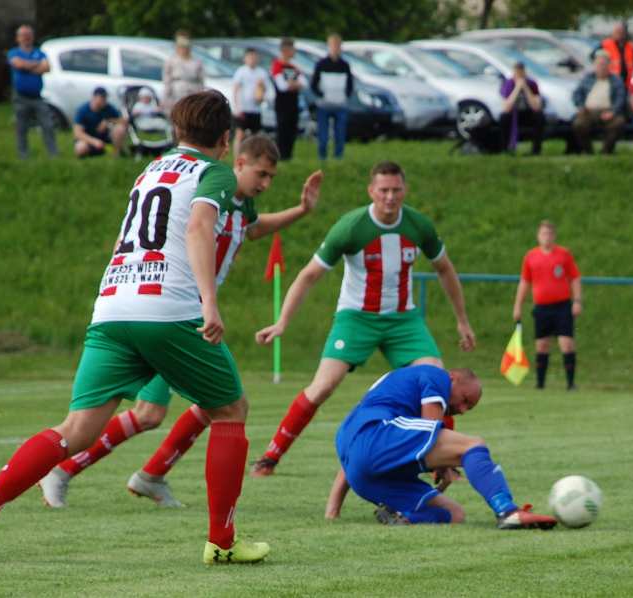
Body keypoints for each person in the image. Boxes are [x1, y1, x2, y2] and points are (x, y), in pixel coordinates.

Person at [0, 90, 270, 565]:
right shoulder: (215, 171)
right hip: (167, 308)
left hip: (114, 304)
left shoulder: (151, 170)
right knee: (229, 410)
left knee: (75, 429)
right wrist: (209, 302)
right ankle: (222, 542)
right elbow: (200, 227)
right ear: (226, 139)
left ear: (177, 132)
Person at [39, 135, 323, 509]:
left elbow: (253, 228)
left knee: (197, 406)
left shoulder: (240, 204)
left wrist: (301, 210)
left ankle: (148, 475)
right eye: (261, 173)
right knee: (168, 410)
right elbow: (188, 229)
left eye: (271, 177)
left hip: (186, 313)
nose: (265, 183)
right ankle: (65, 471)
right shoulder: (209, 190)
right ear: (239, 162)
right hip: (172, 309)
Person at [251, 160, 476, 477]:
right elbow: (309, 275)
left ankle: (443, 461)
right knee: (323, 385)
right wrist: (282, 321)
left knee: (436, 378)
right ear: (371, 191)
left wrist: (462, 320)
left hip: (403, 321)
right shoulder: (351, 227)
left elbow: (445, 269)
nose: (389, 197)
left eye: (396, 190)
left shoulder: (418, 226)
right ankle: (270, 457)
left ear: (404, 190)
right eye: (383, 190)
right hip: (356, 318)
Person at [323, 365, 557, 530]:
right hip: (375, 435)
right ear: (453, 378)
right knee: (473, 445)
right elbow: (430, 426)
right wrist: (445, 466)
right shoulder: (436, 376)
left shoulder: (395, 397)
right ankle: (507, 511)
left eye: (469, 408)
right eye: (465, 399)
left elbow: (357, 457)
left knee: (454, 514)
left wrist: (332, 511)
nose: (463, 409)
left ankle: (405, 518)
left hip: (362, 470)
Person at [512, 221, 581, 391]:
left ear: (554, 236)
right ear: (538, 236)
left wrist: (577, 301)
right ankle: (540, 384)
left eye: (549, 234)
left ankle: (571, 384)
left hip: (562, 306)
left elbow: (575, 278)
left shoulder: (564, 255)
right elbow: (525, 282)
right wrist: (517, 305)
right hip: (542, 307)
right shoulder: (531, 256)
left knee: (566, 344)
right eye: (543, 234)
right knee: (542, 345)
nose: (546, 237)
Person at [7, 24, 57, 159]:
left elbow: (46, 67)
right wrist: (35, 64)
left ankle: (53, 154)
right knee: (22, 128)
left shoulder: (40, 52)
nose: (26, 38)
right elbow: (18, 64)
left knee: (48, 125)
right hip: (20, 97)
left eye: (29, 35)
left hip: (37, 97)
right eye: (23, 35)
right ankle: (23, 156)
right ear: (18, 38)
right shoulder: (13, 52)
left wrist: (26, 66)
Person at [572, 52, 627, 155]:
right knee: (578, 124)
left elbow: (621, 98)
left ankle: (606, 151)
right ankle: (588, 151)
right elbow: (576, 94)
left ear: (608, 65)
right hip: (588, 111)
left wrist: (613, 112)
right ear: (594, 65)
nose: (601, 67)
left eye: (603, 64)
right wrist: (580, 106)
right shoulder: (587, 78)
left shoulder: (616, 80)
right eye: (598, 64)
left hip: (608, 111)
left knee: (618, 122)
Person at [311, 34, 353, 160]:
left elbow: (350, 84)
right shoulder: (321, 64)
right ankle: (322, 157)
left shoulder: (344, 65)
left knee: (340, 134)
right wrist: (322, 95)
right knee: (323, 135)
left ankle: (338, 158)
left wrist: (345, 95)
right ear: (329, 47)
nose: (335, 48)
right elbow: (314, 84)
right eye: (333, 46)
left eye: (337, 46)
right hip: (324, 105)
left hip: (340, 104)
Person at [272, 38, 307, 161]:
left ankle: (289, 156)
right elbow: (282, 86)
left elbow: (304, 82)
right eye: (292, 49)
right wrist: (293, 84)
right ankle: (280, 156)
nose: (294, 51)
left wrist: (292, 84)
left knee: (292, 130)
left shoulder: (293, 66)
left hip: (293, 103)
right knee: (282, 130)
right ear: (285, 50)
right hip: (282, 104)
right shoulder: (278, 65)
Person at [499, 62, 544, 155]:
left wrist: (525, 88)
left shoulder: (532, 84)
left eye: (521, 73)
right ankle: (506, 149)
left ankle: (536, 150)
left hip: (528, 113)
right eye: (517, 73)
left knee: (539, 117)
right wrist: (517, 88)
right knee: (503, 117)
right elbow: (506, 107)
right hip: (513, 114)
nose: (519, 76)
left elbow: (536, 107)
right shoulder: (508, 84)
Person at [231, 48, 269, 156]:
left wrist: (262, 94)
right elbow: (235, 89)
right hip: (243, 108)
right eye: (250, 57)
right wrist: (236, 106)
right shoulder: (241, 71)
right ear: (245, 59)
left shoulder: (261, 72)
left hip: (256, 108)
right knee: (240, 134)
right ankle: (237, 158)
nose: (252, 59)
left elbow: (266, 89)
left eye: (254, 57)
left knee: (255, 136)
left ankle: (253, 157)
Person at [73, 87, 128, 158]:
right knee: (80, 148)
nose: (104, 100)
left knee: (120, 129)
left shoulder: (108, 108)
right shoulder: (82, 110)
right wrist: (94, 142)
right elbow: (78, 133)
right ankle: (93, 153)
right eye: (102, 97)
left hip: (105, 140)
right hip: (88, 140)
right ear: (94, 97)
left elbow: (124, 121)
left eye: (105, 98)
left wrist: (108, 121)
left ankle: (116, 153)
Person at [162, 30, 204, 112]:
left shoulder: (196, 61)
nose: (183, 49)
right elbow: (167, 79)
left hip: (193, 91)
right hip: (177, 91)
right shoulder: (172, 60)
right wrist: (167, 96)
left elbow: (201, 80)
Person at [594, 22, 633, 89]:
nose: (619, 34)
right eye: (617, 31)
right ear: (613, 32)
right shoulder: (605, 44)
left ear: (625, 33)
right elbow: (593, 57)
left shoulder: (631, 47)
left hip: (626, 84)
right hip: (609, 83)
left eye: (621, 32)